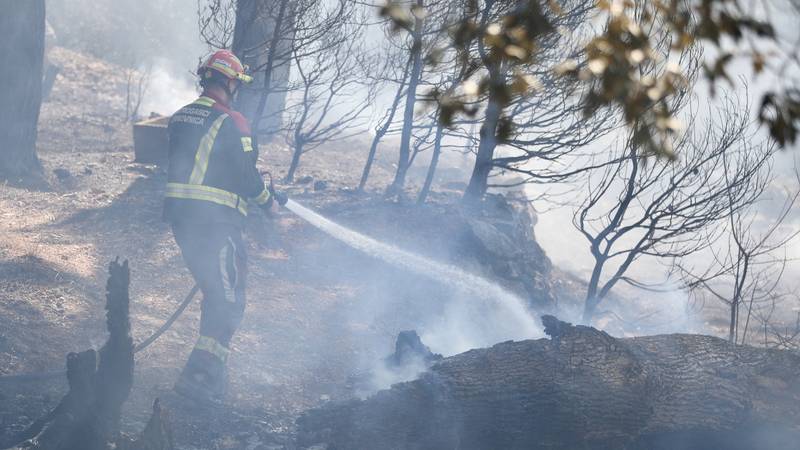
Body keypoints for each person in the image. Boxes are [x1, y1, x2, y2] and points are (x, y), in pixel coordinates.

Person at [163, 49, 286, 404]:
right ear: (229, 82)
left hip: (183, 221)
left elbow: (204, 162)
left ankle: (210, 374)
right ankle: (200, 378)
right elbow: (245, 173)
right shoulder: (232, 121)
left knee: (216, 292)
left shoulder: (181, 117)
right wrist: (266, 201)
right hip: (215, 223)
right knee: (229, 299)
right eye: (236, 82)